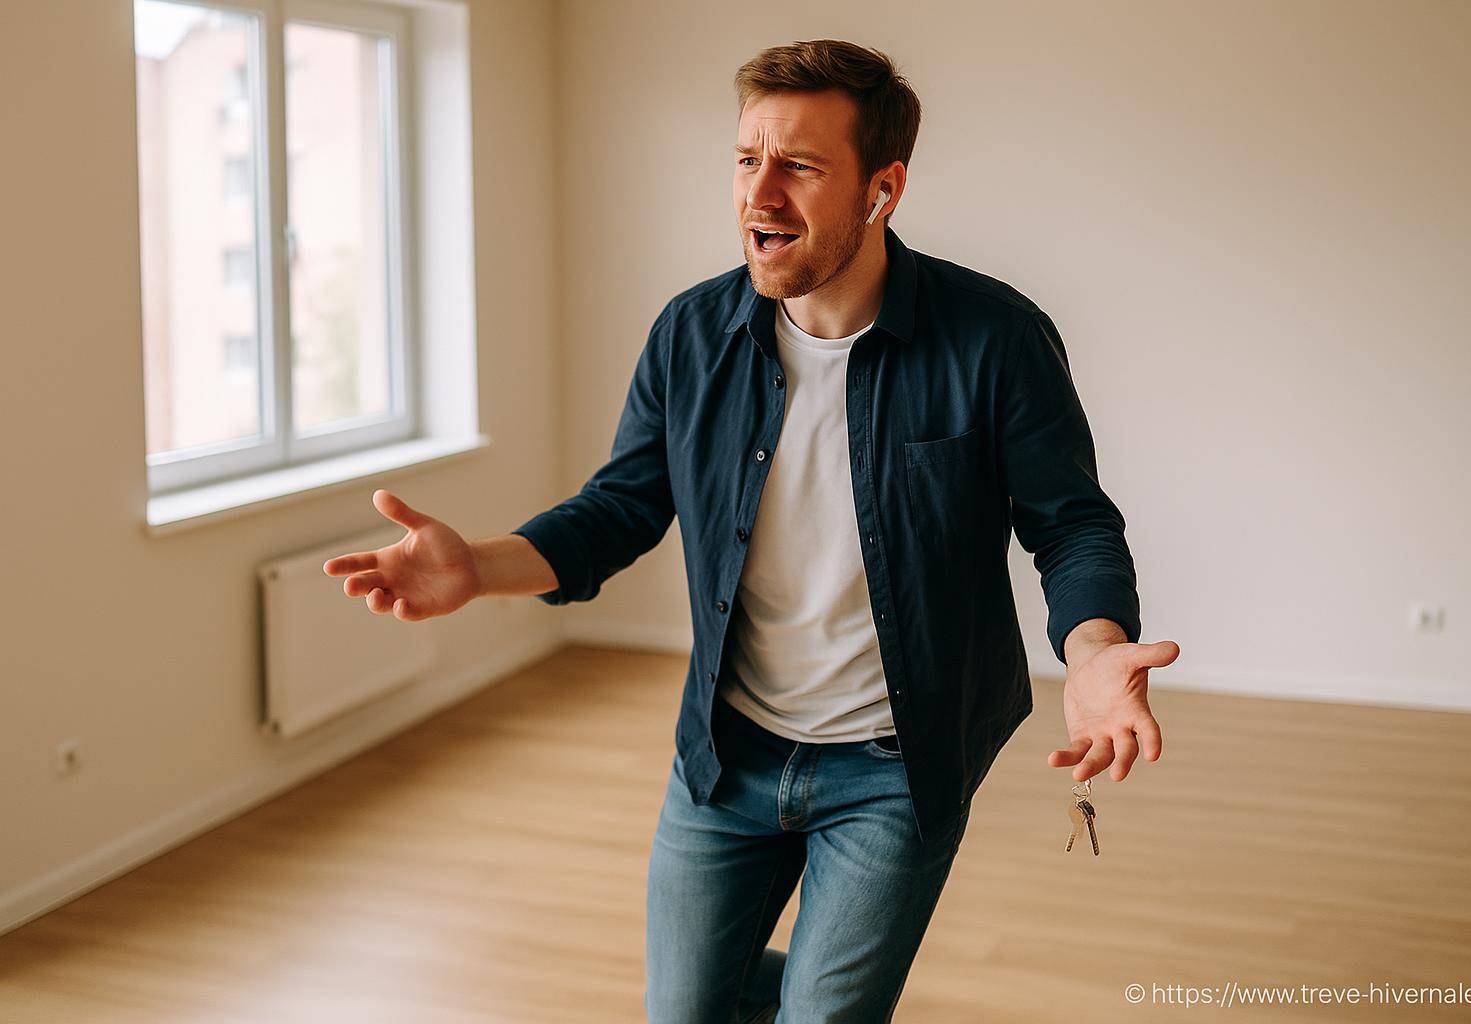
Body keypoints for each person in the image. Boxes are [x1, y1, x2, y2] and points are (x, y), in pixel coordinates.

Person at [323, 38, 1180, 1024]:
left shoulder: (993, 340)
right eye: (746, 158)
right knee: (684, 1011)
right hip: (727, 756)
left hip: (896, 763)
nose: (758, 192)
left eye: (800, 166)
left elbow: (1069, 525)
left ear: (882, 187)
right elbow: (620, 508)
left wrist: (1094, 651)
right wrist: (478, 565)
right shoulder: (692, 337)